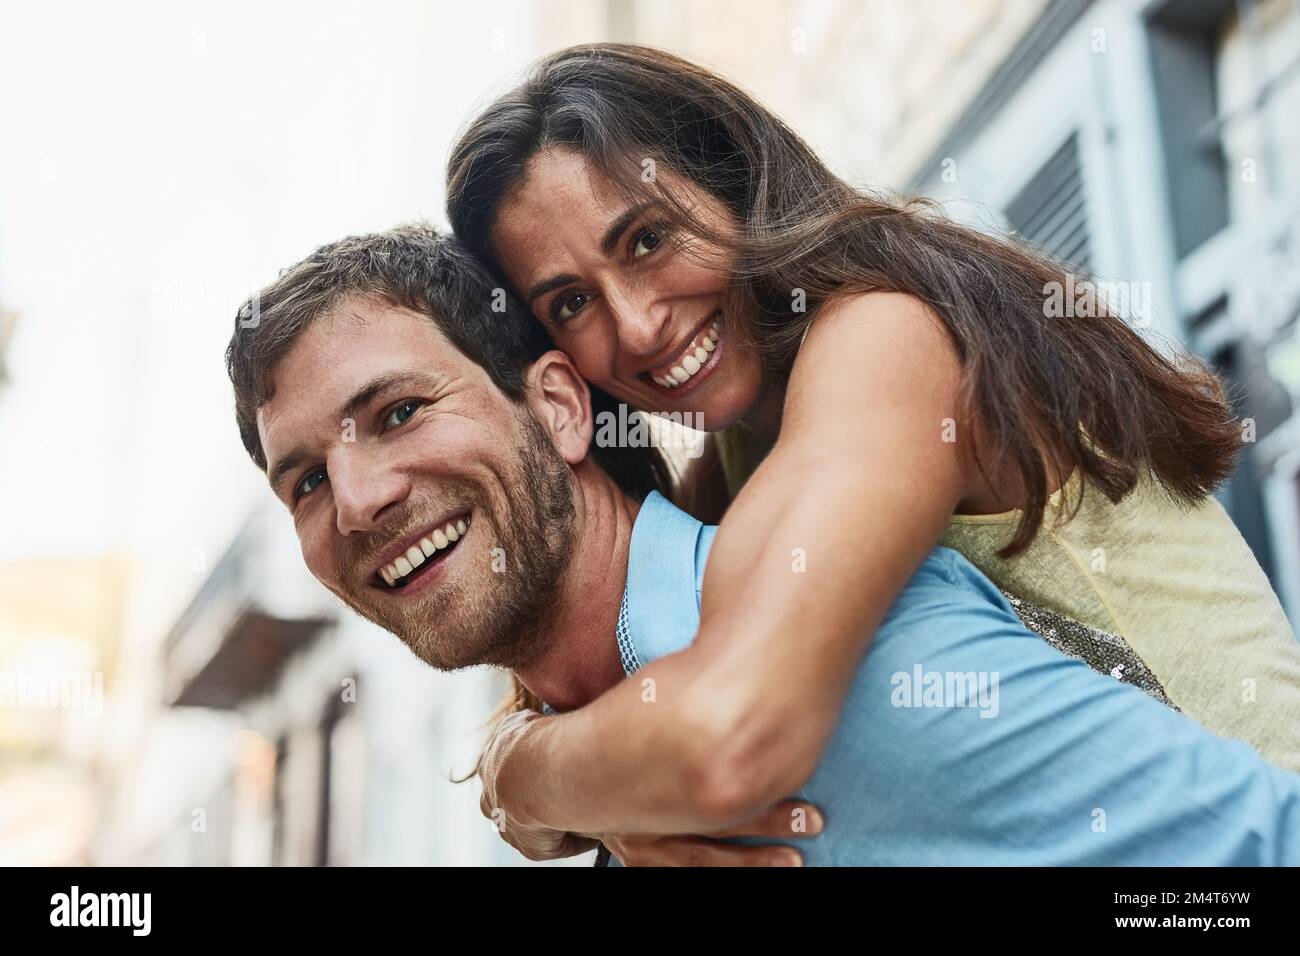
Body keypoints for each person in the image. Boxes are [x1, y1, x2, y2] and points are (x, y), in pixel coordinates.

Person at [442, 43, 1300, 859]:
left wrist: (523, 776)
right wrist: (575, 778)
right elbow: (638, 718)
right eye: (569, 305)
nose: (635, 324)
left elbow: (732, 728)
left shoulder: (886, 334)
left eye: (647, 239)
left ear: (734, 179)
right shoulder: (739, 468)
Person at [225, 225, 1300, 865]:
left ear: (558, 408)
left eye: (401, 410)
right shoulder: (618, 749)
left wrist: (531, 776)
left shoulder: (823, 651)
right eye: (305, 479)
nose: (358, 499)